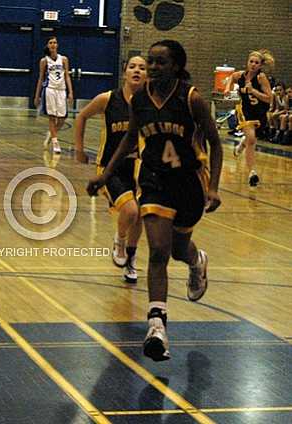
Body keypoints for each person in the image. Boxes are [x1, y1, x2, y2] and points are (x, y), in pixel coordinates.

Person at [87, 40, 223, 361]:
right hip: (153, 179)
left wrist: (214, 187)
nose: (152, 67)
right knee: (158, 251)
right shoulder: (140, 100)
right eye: (151, 61)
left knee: (178, 250)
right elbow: (130, 139)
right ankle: (157, 326)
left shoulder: (192, 100)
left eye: (160, 62)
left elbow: (216, 145)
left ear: (175, 66)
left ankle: (196, 261)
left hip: (189, 181)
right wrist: (105, 175)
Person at [74, 56, 146, 283]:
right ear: (124, 72)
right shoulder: (108, 99)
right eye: (132, 66)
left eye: (142, 68)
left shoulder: (149, 102)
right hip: (111, 167)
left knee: (141, 215)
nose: (137, 70)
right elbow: (82, 115)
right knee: (131, 211)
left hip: (141, 167)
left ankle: (131, 259)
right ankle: (120, 240)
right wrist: (79, 148)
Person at [224, 50, 273, 186]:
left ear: (260, 65)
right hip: (245, 112)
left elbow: (269, 99)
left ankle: (242, 144)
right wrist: (227, 88)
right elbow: (231, 77)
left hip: (260, 113)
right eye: (251, 61)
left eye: (256, 63)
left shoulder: (261, 78)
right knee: (252, 139)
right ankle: (252, 172)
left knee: (250, 139)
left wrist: (254, 91)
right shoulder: (241, 75)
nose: (253, 64)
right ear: (247, 62)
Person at [34, 36, 73, 154]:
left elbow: (67, 76)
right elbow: (40, 78)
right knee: (52, 117)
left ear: (57, 45)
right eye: (50, 42)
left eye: (55, 42)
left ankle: (51, 135)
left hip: (62, 90)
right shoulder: (44, 61)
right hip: (49, 89)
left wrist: (71, 92)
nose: (53, 44)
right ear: (47, 45)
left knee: (62, 118)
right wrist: (37, 96)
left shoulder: (64, 59)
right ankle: (56, 143)